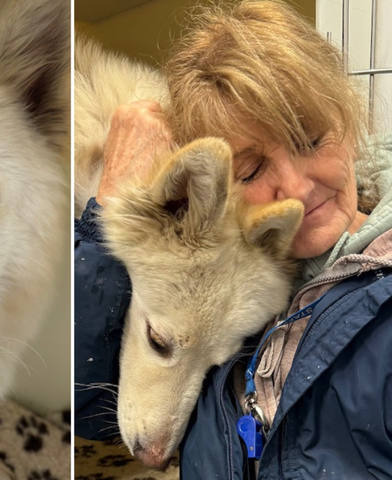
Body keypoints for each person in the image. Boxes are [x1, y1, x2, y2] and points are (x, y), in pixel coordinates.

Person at [74, 1, 392, 478]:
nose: (298, 191)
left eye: (311, 140)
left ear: (347, 125)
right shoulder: (235, 277)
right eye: (251, 168)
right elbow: (84, 398)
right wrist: (112, 208)